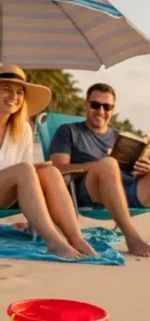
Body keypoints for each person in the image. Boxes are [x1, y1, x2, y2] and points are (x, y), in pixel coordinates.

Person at [49, 83, 150, 259]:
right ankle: (132, 238)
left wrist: (145, 171)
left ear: (113, 109)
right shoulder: (69, 131)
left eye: (107, 107)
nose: (101, 111)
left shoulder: (120, 137)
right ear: (85, 104)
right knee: (109, 163)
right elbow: (58, 168)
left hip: (127, 189)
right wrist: (96, 165)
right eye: (95, 105)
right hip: (91, 191)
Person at [0, 65, 97, 259]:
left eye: (19, 92)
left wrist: (36, 169)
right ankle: (53, 241)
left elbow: (23, 169)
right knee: (26, 170)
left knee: (50, 172)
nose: (14, 97)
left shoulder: (23, 130)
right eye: (6, 90)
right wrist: (26, 170)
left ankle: (76, 238)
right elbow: (19, 171)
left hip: (6, 194)